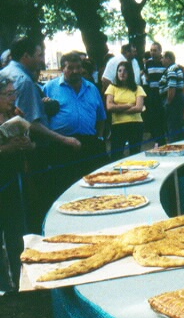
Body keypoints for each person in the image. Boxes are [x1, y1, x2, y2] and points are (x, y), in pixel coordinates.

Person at [0, 36, 81, 232]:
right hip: (19, 166)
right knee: (28, 213)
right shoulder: (23, 81)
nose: (42, 59)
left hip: (18, 160)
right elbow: (33, 125)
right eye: (39, 54)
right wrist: (64, 139)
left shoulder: (7, 73)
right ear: (26, 56)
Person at [43, 52, 108, 190]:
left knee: (95, 185)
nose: (75, 71)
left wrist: (100, 137)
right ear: (62, 69)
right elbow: (41, 119)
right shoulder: (49, 88)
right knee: (65, 187)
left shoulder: (92, 88)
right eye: (70, 68)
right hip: (61, 147)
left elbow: (101, 116)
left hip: (90, 145)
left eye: (78, 67)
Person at [0, 74, 35, 292]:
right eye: (9, 94)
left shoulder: (15, 114)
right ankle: (4, 286)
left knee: (16, 231)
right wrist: (7, 149)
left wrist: (26, 143)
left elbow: (31, 146)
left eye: (15, 93)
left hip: (14, 181)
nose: (13, 97)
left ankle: (19, 281)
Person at [105, 60, 146, 160]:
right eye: (119, 71)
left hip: (135, 123)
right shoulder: (112, 87)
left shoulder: (138, 88)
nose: (122, 73)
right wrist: (127, 105)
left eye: (125, 71)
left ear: (130, 73)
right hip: (118, 124)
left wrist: (118, 108)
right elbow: (109, 107)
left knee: (135, 155)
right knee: (116, 155)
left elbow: (138, 108)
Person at [142, 42, 167, 144]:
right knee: (154, 117)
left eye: (155, 50)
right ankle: (158, 140)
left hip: (162, 94)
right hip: (152, 94)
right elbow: (146, 76)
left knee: (163, 117)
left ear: (160, 51)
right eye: (151, 50)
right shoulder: (148, 63)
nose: (152, 52)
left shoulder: (164, 62)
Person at [159, 50, 184, 142]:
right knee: (178, 125)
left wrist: (168, 102)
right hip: (178, 99)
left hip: (174, 100)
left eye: (162, 57)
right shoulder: (175, 68)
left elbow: (172, 88)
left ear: (168, 58)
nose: (161, 60)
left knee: (173, 125)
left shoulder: (171, 70)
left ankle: (175, 145)